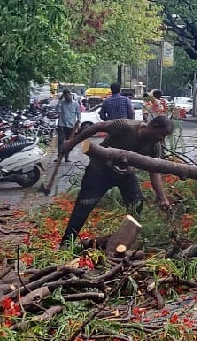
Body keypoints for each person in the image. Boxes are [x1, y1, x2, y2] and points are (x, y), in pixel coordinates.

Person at [57, 116, 174, 247]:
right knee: (83, 207)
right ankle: (66, 243)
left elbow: (155, 172)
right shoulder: (126, 126)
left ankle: (123, 241)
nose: (162, 139)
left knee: (137, 205)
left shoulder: (154, 147)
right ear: (154, 126)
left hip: (125, 174)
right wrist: (72, 143)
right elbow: (97, 126)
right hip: (99, 171)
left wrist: (162, 198)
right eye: (162, 134)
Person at [56, 90, 81, 162]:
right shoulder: (62, 103)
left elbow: (78, 113)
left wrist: (79, 121)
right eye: (65, 96)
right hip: (62, 125)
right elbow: (57, 109)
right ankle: (59, 157)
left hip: (71, 125)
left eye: (68, 95)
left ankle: (67, 157)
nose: (67, 97)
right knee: (60, 141)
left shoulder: (75, 104)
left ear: (70, 95)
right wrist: (60, 99)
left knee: (69, 142)